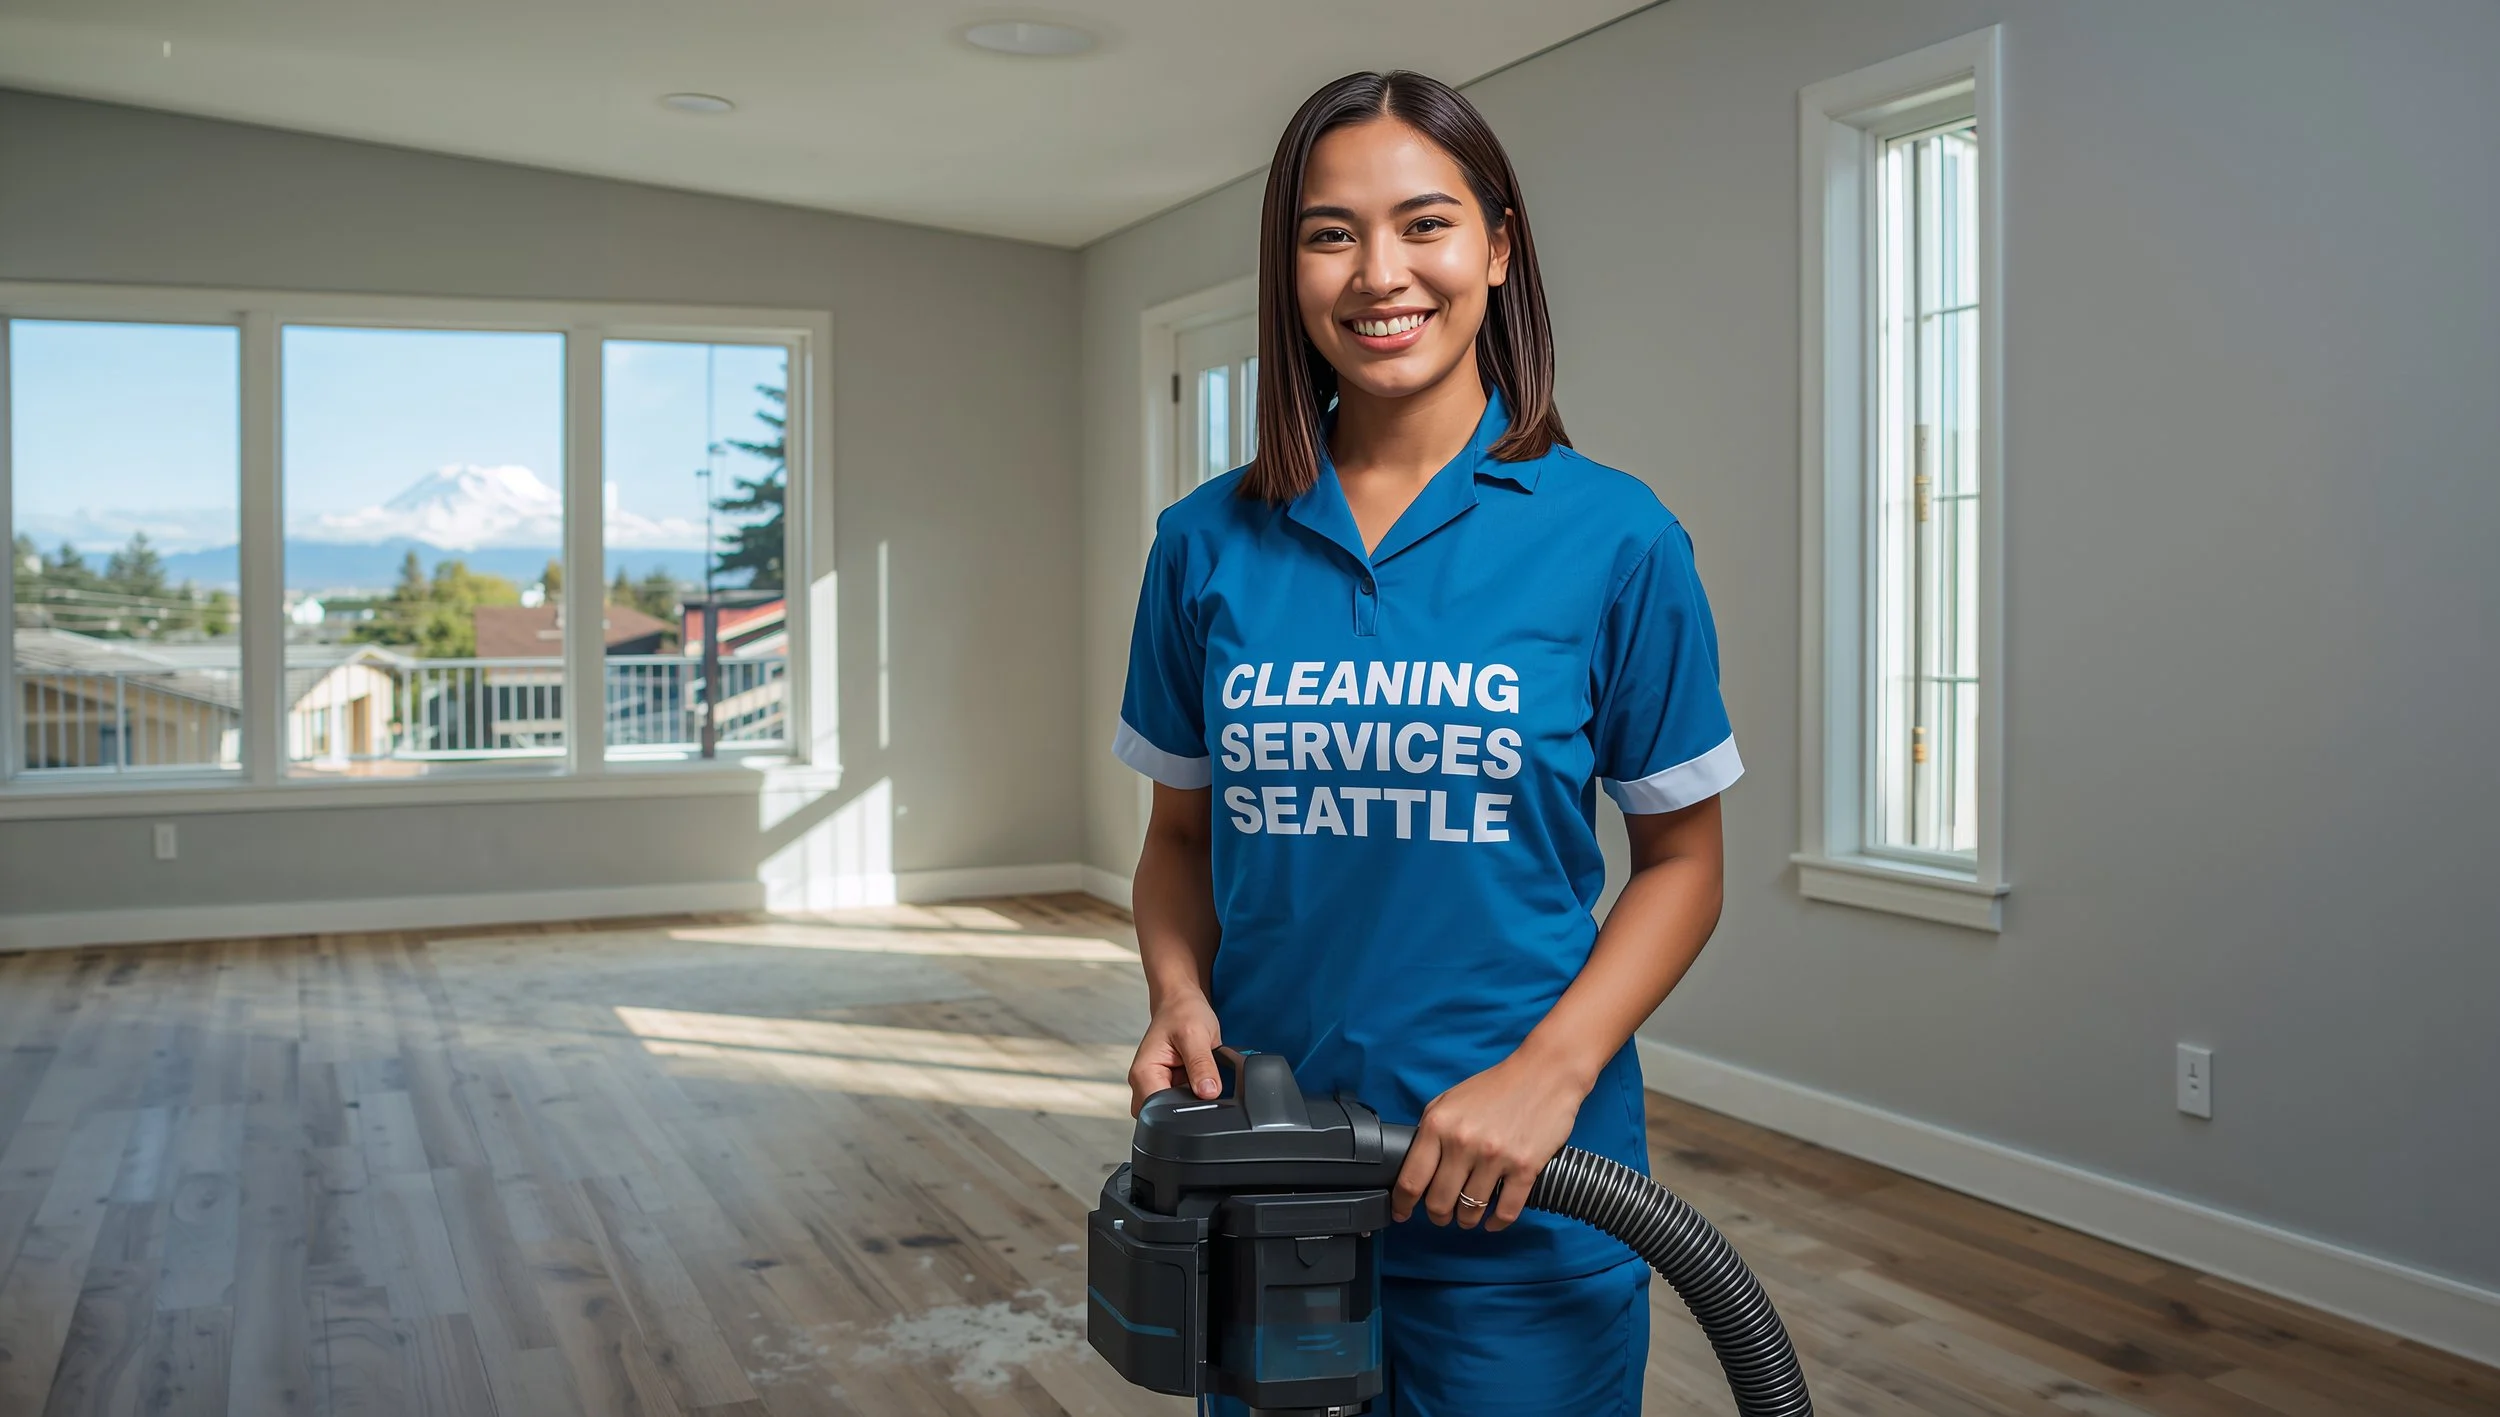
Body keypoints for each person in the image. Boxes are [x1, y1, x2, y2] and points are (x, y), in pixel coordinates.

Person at [1115, 69, 1742, 1417]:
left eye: (1425, 223)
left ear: (1499, 248)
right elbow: (1178, 840)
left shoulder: (1616, 538)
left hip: (1526, 1190)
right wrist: (1175, 994)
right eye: (1330, 233)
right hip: (1271, 1182)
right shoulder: (1203, 545)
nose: (1378, 273)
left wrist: (1543, 1079)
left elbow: (1685, 862)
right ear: (1289, 268)